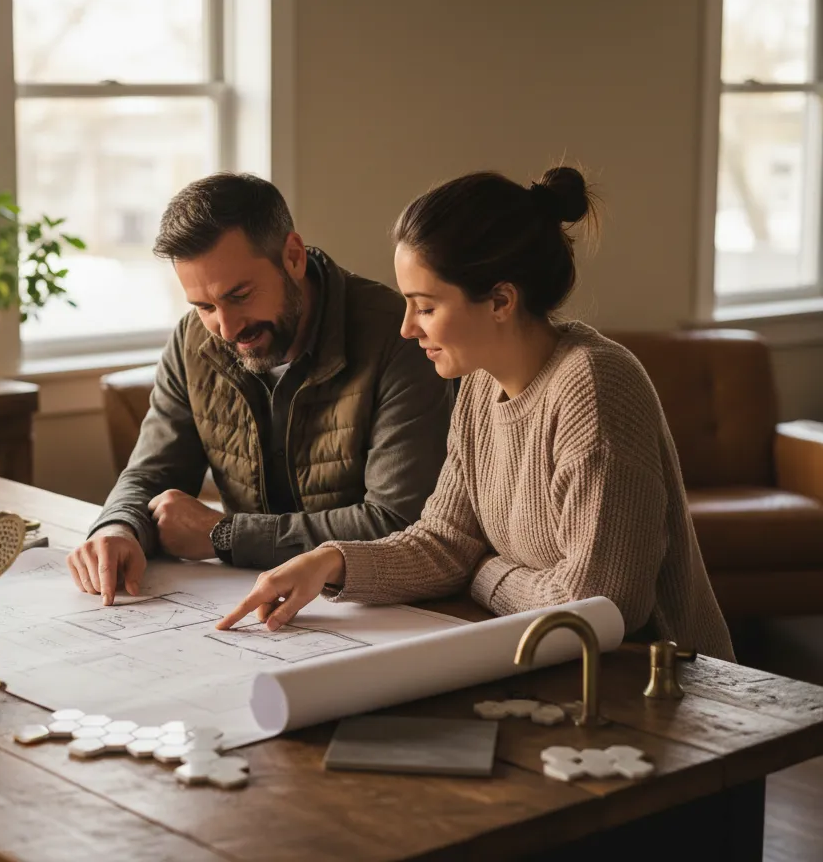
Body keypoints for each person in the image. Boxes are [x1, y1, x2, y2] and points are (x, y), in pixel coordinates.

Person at [216, 166, 735, 661]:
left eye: (425, 306)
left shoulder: (593, 386)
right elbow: (446, 542)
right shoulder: (480, 385)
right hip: (555, 664)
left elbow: (599, 607)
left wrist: (484, 572)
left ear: (501, 300)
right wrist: (329, 562)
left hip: (661, 681)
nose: (406, 328)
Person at [68, 173, 454, 605]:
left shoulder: (397, 338)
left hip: (382, 607)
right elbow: (151, 475)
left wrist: (225, 536)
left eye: (240, 295)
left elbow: (398, 521)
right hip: (248, 605)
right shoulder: (194, 340)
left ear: (292, 256)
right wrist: (117, 527)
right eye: (205, 307)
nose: (227, 328)